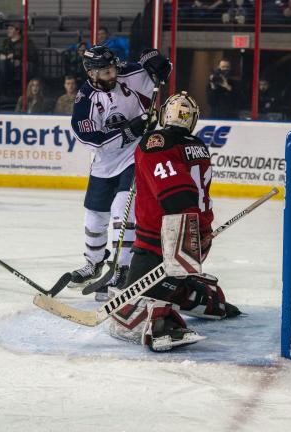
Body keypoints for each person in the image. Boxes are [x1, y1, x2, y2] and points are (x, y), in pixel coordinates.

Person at [108, 92, 241, 351]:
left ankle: (164, 324)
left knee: (127, 316)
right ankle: (203, 297)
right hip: (198, 238)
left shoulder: (157, 142)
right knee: (165, 282)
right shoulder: (197, 145)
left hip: (165, 242)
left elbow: (177, 194)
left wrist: (183, 241)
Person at [68, 45, 171, 300]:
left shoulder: (127, 74)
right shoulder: (85, 100)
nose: (111, 74)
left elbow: (160, 69)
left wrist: (156, 59)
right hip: (104, 162)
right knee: (93, 219)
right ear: (91, 74)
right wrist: (128, 130)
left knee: (122, 210)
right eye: (104, 72)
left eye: (112, 68)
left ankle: (122, 269)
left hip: (135, 156)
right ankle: (94, 263)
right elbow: (93, 140)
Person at [0, 22, 38, 92]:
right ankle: (3, 87)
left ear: (18, 30)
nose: (8, 31)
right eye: (8, 29)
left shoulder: (27, 41)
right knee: (1, 63)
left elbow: (32, 55)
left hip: (21, 65)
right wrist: (0, 55)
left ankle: (6, 87)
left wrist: (15, 56)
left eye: (11, 29)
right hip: (7, 65)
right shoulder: (6, 41)